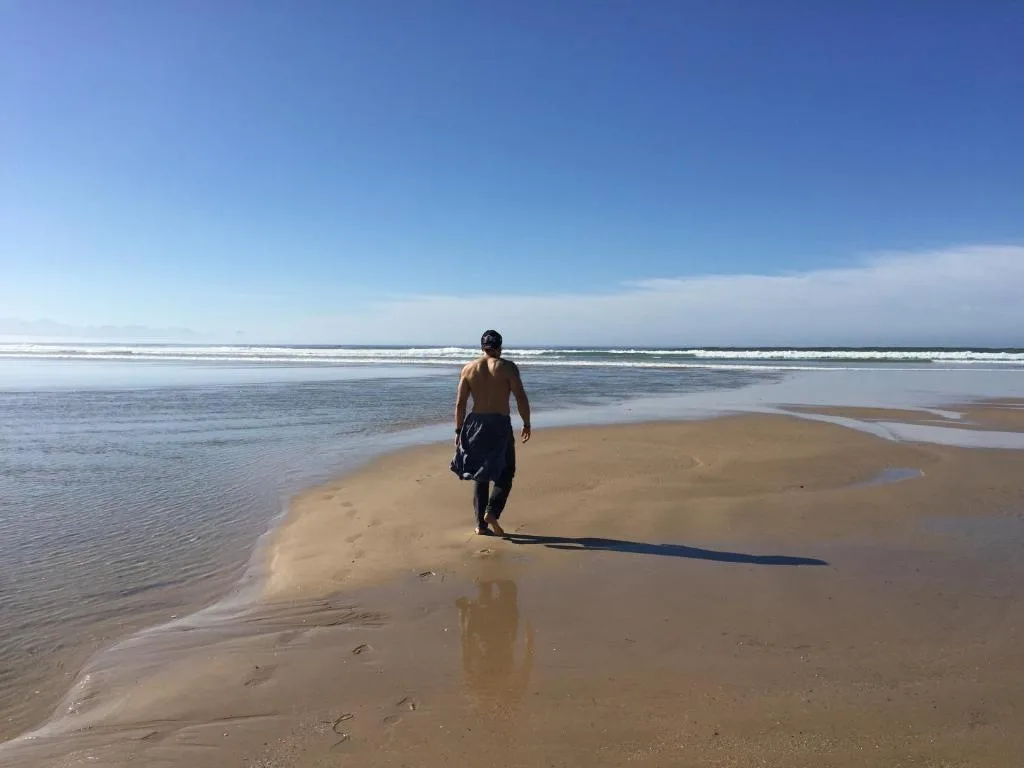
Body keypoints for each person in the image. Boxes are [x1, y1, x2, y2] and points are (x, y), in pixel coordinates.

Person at [450, 330, 531, 536]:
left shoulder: (468, 369)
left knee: (481, 474)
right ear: (500, 346)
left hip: (475, 423)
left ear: (482, 347)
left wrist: (459, 430)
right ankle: (492, 511)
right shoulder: (507, 368)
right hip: (499, 423)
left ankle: (480, 525)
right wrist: (527, 423)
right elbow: (520, 397)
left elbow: (460, 404)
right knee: (506, 471)